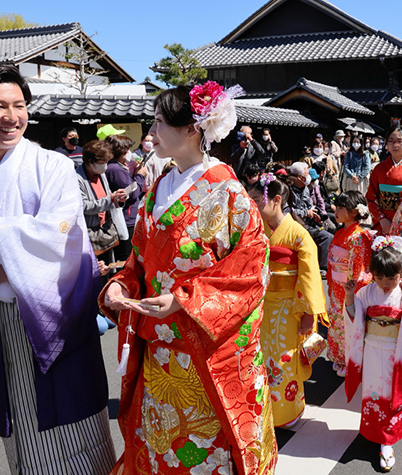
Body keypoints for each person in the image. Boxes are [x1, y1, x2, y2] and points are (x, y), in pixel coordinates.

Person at [101, 82, 278, 475]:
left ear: (192, 130)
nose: (151, 132)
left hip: (203, 348)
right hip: (159, 349)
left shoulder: (228, 193)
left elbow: (251, 270)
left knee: (204, 450)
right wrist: (123, 283)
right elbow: (142, 258)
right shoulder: (161, 182)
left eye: (160, 122)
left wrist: (183, 300)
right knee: (160, 443)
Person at [0, 64, 115, 474]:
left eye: (19, 105)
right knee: (21, 420)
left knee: (76, 418)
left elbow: (60, 237)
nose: (12, 116)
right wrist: (3, 271)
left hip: (56, 313)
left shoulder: (53, 166)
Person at [344, 236, 402, 472]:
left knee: (394, 397)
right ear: (371, 273)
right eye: (379, 277)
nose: (384, 283)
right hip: (373, 350)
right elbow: (355, 318)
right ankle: (372, 432)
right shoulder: (366, 292)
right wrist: (351, 296)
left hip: (396, 353)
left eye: (391, 277)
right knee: (373, 395)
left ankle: (387, 442)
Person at [248, 174, 328, 428]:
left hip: (288, 305)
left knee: (284, 357)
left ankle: (287, 412)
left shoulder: (298, 234)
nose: (253, 206)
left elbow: (309, 275)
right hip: (261, 303)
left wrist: (308, 313)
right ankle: (265, 409)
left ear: (276, 200)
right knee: (260, 356)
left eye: (257, 200)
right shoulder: (256, 230)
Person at [326, 191, 372, 377]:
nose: (336, 210)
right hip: (337, 286)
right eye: (337, 205)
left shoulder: (358, 237)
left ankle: (350, 360)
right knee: (337, 323)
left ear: (354, 212)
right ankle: (339, 358)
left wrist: (351, 291)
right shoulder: (340, 232)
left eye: (342, 207)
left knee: (348, 325)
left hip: (349, 289)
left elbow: (358, 270)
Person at [77, 140, 128, 269]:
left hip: (105, 231)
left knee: (107, 268)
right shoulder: (77, 179)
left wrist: (118, 199)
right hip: (89, 235)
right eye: (102, 163)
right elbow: (83, 206)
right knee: (93, 272)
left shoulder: (101, 174)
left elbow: (107, 196)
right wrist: (110, 199)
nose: (105, 166)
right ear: (90, 162)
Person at [366, 125, 402, 234]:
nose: (395, 145)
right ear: (386, 144)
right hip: (384, 224)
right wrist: (382, 219)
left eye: (399, 141)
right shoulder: (379, 169)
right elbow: (371, 198)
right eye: (391, 141)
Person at [105, 134, 147, 262]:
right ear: (120, 152)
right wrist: (140, 176)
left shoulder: (115, 167)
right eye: (127, 150)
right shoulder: (116, 170)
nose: (129, 153)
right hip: (126, 217)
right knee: (126, 256)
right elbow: (131, 193)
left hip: (125, 217)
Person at [289, 161, 333, 276]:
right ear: (299, 176)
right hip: (296, 224)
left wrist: (315, 215)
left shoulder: (305, 188)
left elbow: (310, 205)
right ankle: (322, 268)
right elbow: (289, 211)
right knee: (327, 237)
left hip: (308, 222)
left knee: (328, 228)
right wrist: (306, 212)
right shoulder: (289, 190)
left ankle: (318, 263)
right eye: (306, 173)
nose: (308, 176)